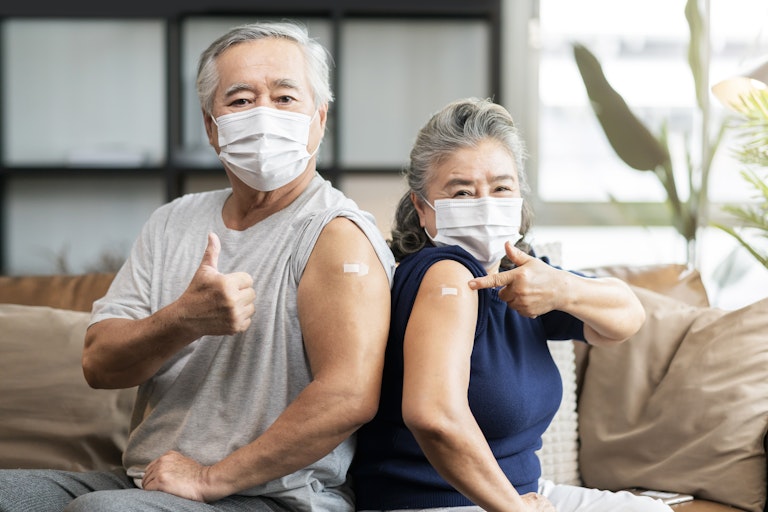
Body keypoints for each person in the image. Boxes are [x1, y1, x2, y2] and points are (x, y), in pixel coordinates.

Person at [0, 20, 394, 512]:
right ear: (211, 126)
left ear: (319, 117)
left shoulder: (337, 235)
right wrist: (183, 320)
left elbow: (348, 397)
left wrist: (210, 479)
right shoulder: (173, 221)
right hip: (145, 482)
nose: (264, 114)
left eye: (285, 98)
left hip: (271, 497)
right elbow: (99, 364)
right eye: (241, 100)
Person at [351, 97, 673, 512]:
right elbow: (433, 415)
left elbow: (628, 317)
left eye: (501, 188)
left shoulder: (521, 273)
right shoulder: (446, 272)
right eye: (462, 192)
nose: (485, 203)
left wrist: (562, 288)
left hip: (526, 491)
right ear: (422, 208)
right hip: (441, 501)